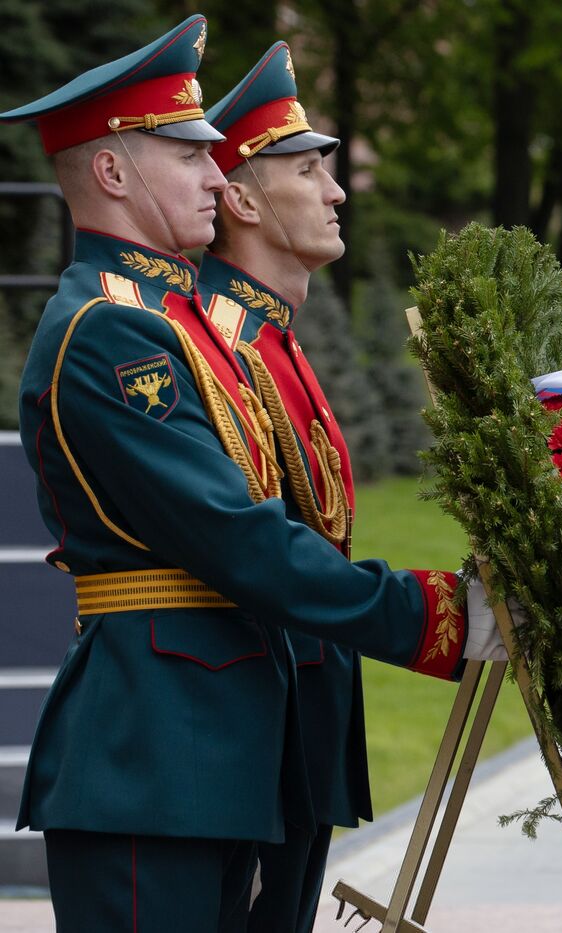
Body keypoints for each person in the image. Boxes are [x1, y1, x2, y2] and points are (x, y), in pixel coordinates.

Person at [0, 16, 507, 930]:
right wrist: (432, 615)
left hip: (212, 748)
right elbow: (236, 536)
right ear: (112, 173)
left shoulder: (171, 317)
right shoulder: (112, 331)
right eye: (189, 155)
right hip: (151, 756)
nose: (212, 173)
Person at [191, 41, 370, 932]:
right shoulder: (223, 342)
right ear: (243, 198)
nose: (336, 191)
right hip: (258, 715)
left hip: (304, 711)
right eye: (309, 170)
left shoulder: (273, 336)